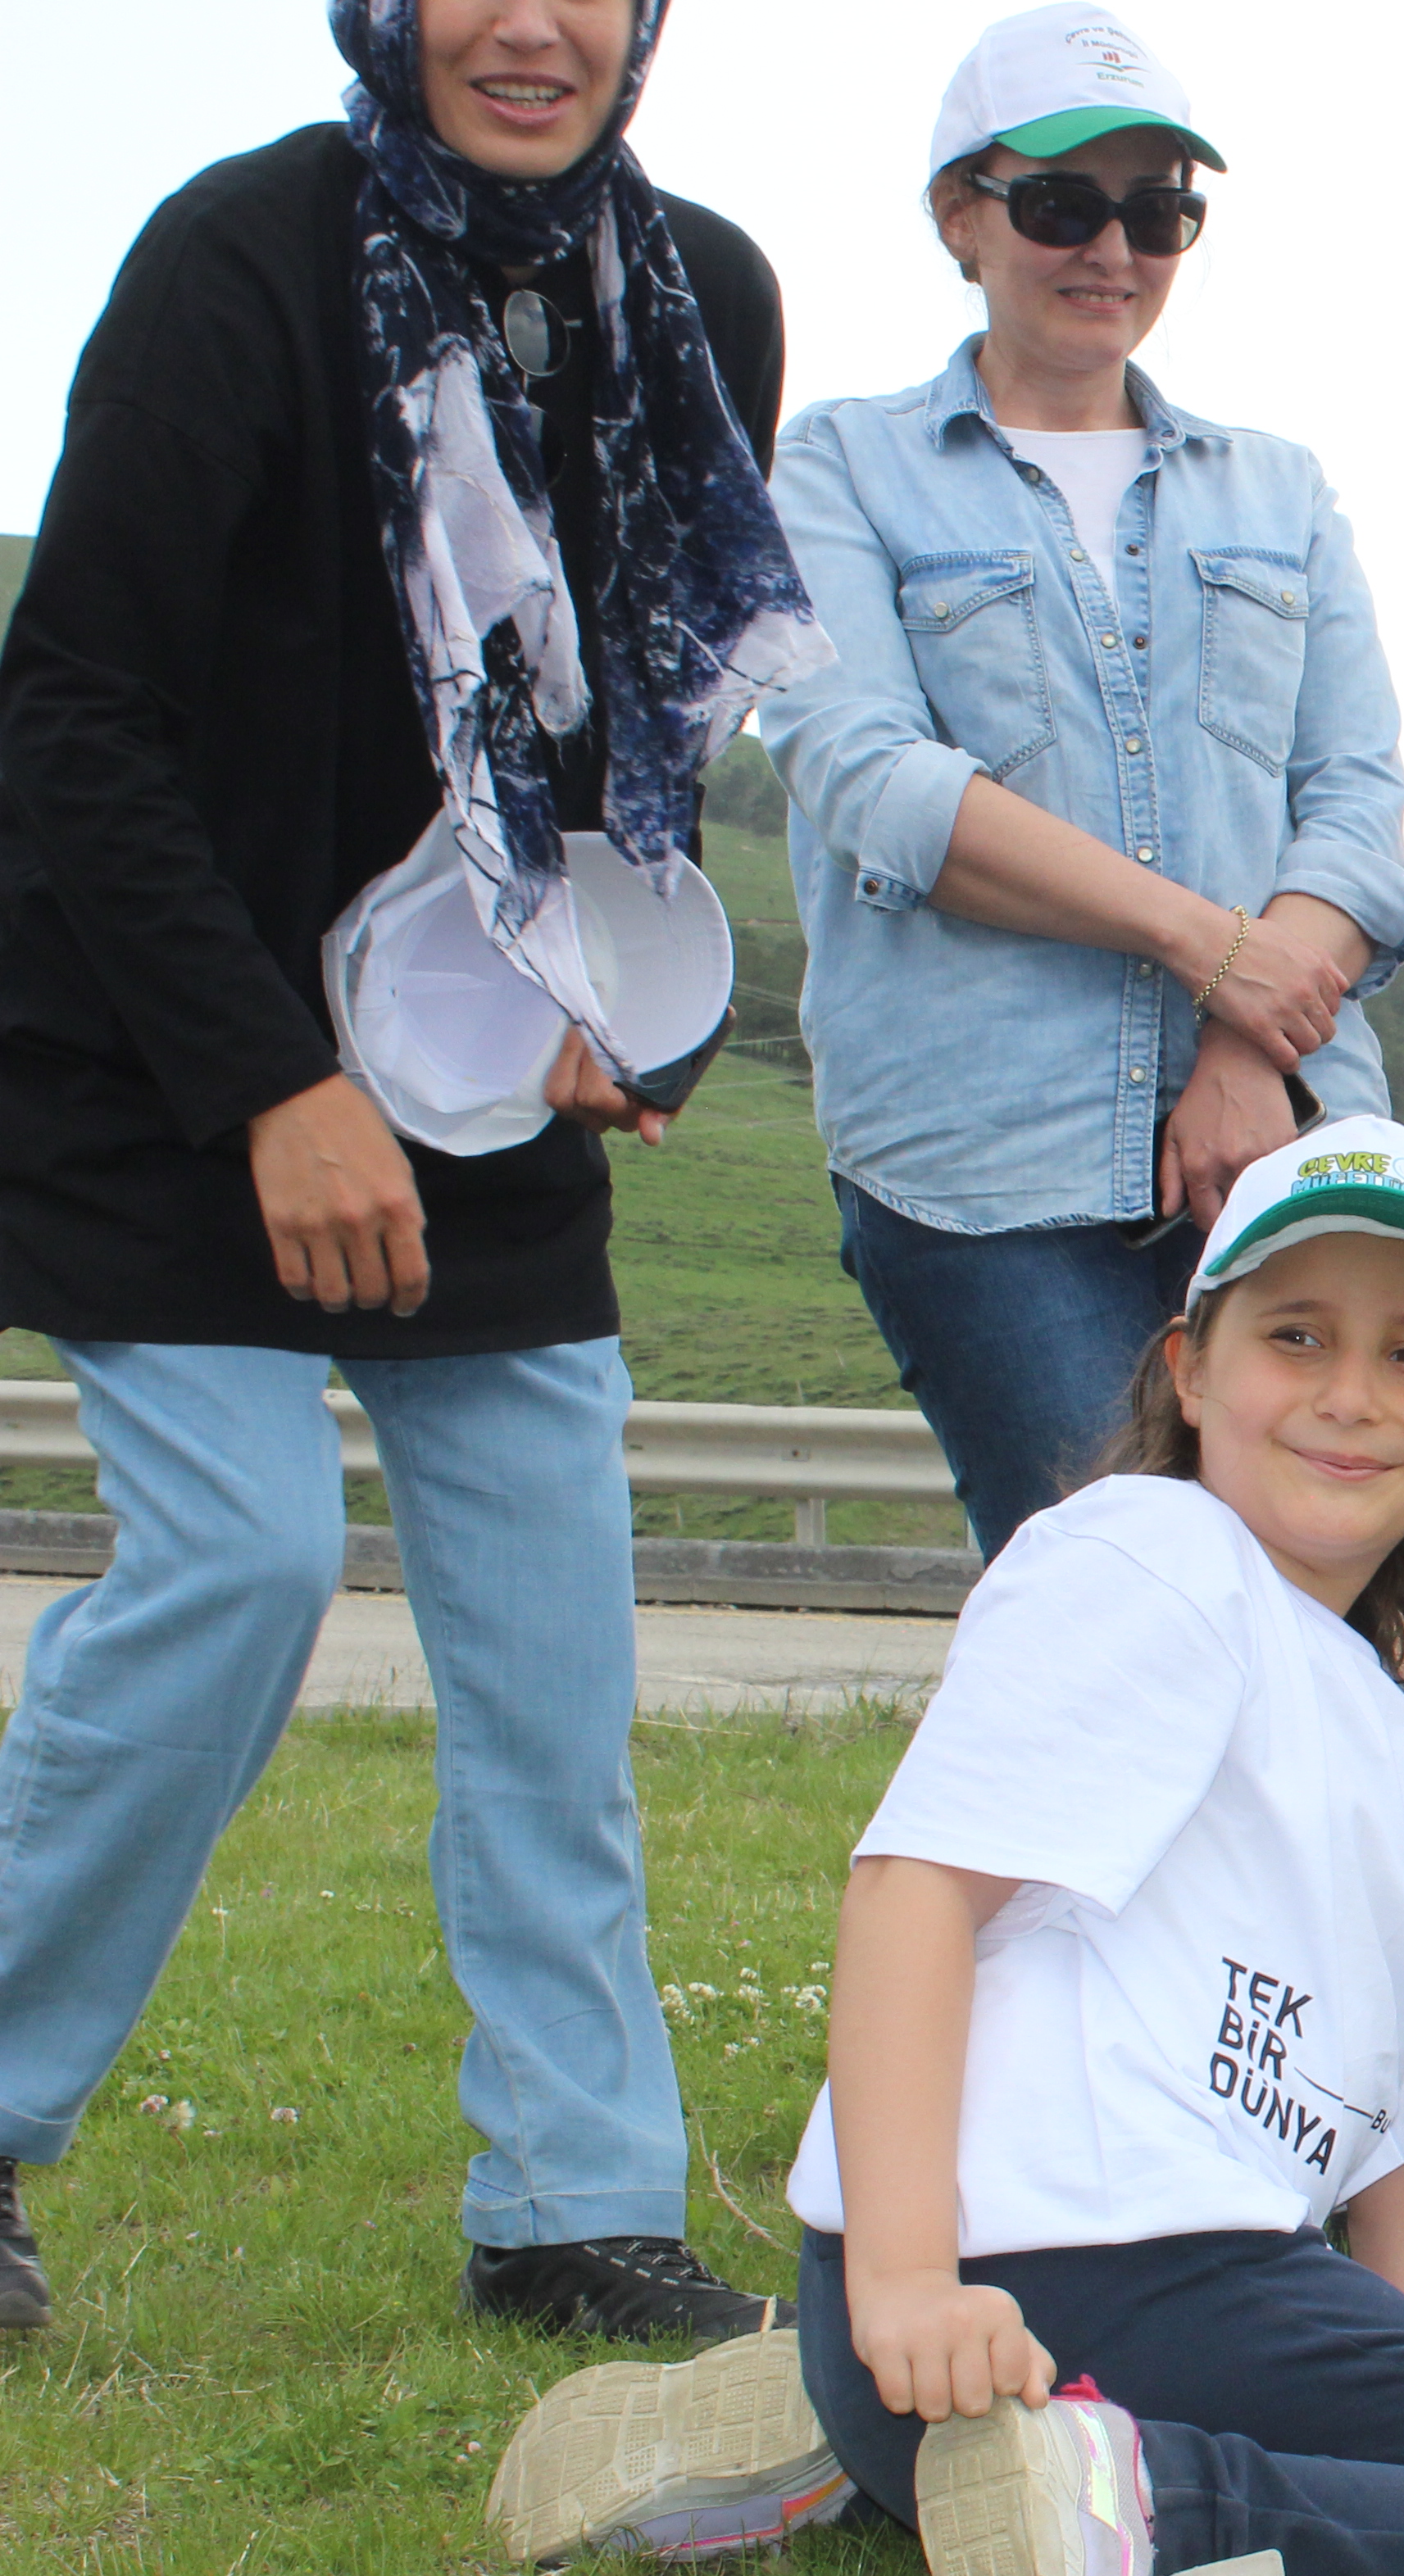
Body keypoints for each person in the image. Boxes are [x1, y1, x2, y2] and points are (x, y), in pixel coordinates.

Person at [490, 1118, 1404, 2576]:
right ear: (1190, 1372)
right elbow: (916, 1893)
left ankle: (823, 2434)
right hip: (1044, 2276)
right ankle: (1133, 2504)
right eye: (1295, 1336)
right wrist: (909, 2274)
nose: (1348, 1393)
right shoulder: (1151, 1555)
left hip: (973, 2334)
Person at [0, 0, 822, 2342]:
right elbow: (68, 706)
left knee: (556, 1671)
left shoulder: (702, 297)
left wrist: (601, 995)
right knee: (244, 1564)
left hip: (468, 1085)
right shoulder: (237, 265)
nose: (531, 24)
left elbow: (616, 728)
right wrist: (271, 1080)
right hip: (173, 1073)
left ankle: (574, 2205)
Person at [762, 5, 1404, 1559]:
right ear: (960, 215)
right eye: (1062, 204)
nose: (1112, 249)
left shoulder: (1282, 485)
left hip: (1284, 1136)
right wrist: (1208, 948)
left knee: (1338, 1595)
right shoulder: (840, 467)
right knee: (1115, 1587)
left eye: (1158, 212)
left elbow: (1358, 805)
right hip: (988, 1173)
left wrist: (1239, 1036)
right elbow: (873, 781)